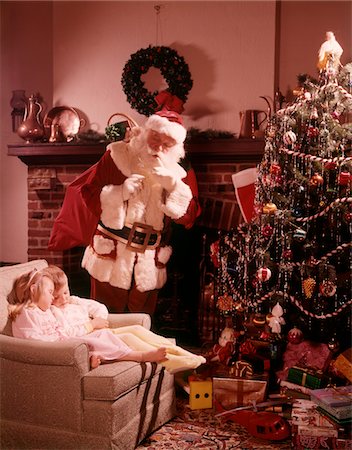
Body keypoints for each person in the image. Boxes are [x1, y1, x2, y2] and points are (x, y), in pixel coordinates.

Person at [48, 110, 201, 315]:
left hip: (149, 260)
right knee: (105, 319)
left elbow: (189, 217)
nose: (159, 146)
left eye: (168, 142)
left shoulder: (177, 174)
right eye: (155, 137)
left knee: (142, 323)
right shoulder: (118, 155)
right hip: (111, 254)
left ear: (176, 147)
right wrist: (120, 192)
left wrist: (173, 187)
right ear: (146, 133)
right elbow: (88, 192)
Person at [9, 267, 206, 373]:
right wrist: (89, 326)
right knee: (113, 336)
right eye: (51, 293)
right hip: (67, 346)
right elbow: (40, 342)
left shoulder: (52, 309)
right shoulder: (31, 313)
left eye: (59, 293)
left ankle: (181, 354)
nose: (54, 299)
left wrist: (96, 321)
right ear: (34, 291)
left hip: (75, 340)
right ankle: (146, 356)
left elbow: (92, 310)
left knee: (132, 330)